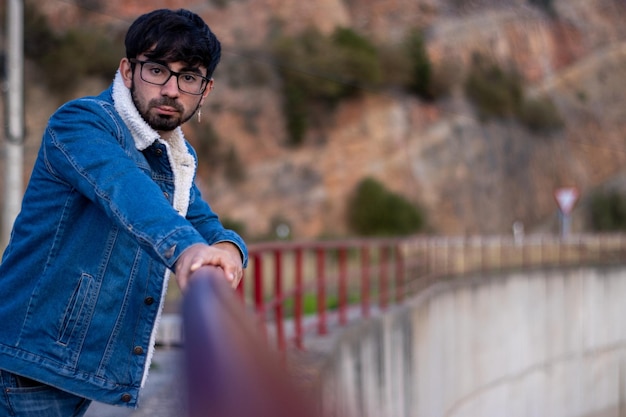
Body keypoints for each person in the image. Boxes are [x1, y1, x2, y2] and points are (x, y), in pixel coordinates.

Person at [0, 8, 247, 416]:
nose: (171, 89)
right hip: (27, 364)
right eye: (157, 70)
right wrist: (186, 250)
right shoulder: (81, 124)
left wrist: (228, 252)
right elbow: (126, 189)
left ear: (205, 90)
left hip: (66, 369)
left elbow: (201, 221)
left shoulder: (174, 156)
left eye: (188, 77)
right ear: (128, 71)